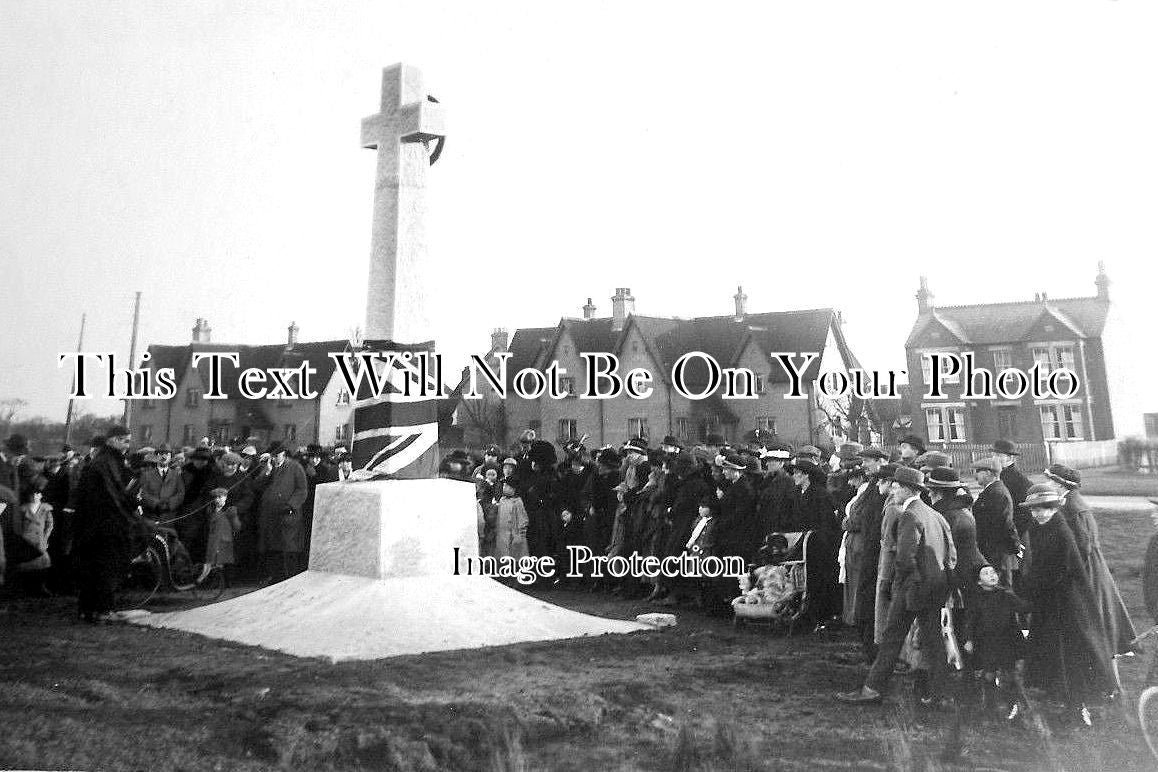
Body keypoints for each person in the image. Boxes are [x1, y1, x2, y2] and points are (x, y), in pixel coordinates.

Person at [838, 467, 956, 706]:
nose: (892, 490)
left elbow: (904, 558)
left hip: (911, 589)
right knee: (933, 642)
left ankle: (872, 689)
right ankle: (942, 695)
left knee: (891, 638)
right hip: (934, 588)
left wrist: (903, 586)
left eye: (895, 486)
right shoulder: (935, 515)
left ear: (906, 489)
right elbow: (951, 555)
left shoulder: (909, 516)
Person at [1019, 484, 1115, 728]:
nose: (1039, 514)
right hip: (1049, 602)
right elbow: (1036, 564)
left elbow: (1065, 569)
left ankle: (1078, 708)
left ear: (1054, 508)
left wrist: (1036, 586)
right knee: (1053, 652)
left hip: (1069, 604)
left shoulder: (1061, 531)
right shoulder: (1037, 528)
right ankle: (1062, 696)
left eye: (1045, 509)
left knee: (1073, 655)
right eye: (1035, 510)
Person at [1044, 463, 1136, 657]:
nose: (1047, 484)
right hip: (1091, 562)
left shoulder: (1071, 507)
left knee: (1091, 606)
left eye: (1049, 481)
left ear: (1060, 485)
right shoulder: (1070, 502)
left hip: (1086, 565)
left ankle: (1099, 648)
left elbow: (1082, 544)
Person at [72, 425, 143, 622]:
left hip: (93, 525)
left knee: (93, 568)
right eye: (124, 440)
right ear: (112, 440)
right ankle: (104, 610)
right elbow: (115, 495)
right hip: (107, 525)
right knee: (107, 568)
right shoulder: (106, 462)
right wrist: (132, 506)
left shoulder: (104, 461)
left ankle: (88, 610)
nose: (127, 444)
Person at [961, 564, 1030, 720]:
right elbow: (970, 621)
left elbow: (1023, 607)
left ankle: (1014, 706)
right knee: (989, 674)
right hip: (987, 643)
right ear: (979, 581)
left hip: (1006, 641)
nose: (991, 575)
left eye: (993, 572)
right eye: (986, 573)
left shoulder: (1006, 595)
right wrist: (969, 639)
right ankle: (990, 707)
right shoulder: (976, 598)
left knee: (1009, 674)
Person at [254, 441, 309, 582]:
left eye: (277, 455)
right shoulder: (269, 468)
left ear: (283, 454)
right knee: (273, 548)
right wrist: (267, 472)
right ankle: (275, 578)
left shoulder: (295, 467)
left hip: (288, 515)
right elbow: (257, 486)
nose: (274, 458)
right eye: (272, 455)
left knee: (288, 547)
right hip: (270, 516)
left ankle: (290, 577)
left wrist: (291, 505)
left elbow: (302, 489)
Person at [971, 457, 1019, 584]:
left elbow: (1005, 524)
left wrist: (1015, 546)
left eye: (978, 471)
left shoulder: (997, 493)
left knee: (1000, 586)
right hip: (993, 550)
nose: (975, 475)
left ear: (988, 473)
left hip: (997, 552)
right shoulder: (991, 491)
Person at [203, 487, 241, 583]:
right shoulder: (211, 511)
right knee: (213, 563)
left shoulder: (230, 510)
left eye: (220, 497)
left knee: (224, 562)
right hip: (213, 542)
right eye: (216, 497)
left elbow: (237, 527)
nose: (218, 499)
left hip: (224, 541)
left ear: (225, 497)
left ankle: (227, 582)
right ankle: (215, 582)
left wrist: (234, 517)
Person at [493, 477, 529, 562]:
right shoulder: (502, 500)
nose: (503, 487)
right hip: (501, 536)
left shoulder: (517, 502)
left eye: (506, 486)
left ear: (513, 488)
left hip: (513, 537)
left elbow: (523, 520)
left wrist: (520, 535)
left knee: (515, 559)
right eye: (504, 485)